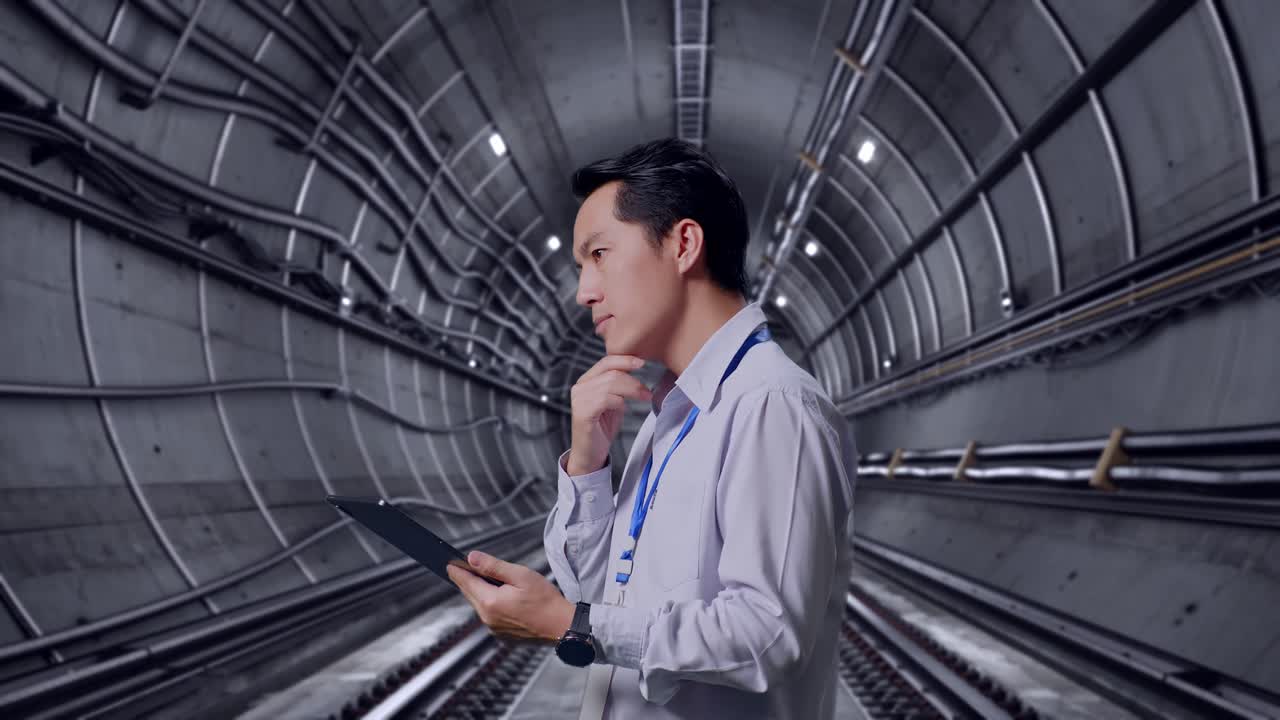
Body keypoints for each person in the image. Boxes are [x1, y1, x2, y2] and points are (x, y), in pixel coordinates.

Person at [447, 138, 855, 719]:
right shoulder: (674, 413)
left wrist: (570, 623)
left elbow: (766, 635)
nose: (584, 291)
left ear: (683, 244)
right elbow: (607, 600)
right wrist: (587, 465)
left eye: (599, 254)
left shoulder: (771, 403)